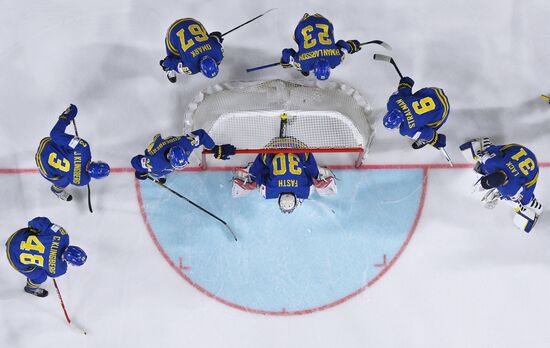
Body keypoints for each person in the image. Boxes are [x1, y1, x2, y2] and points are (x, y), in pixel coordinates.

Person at [460, 138, 542, 232]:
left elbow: (516, 202)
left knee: (525, 200)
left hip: (531, 168)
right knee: (484, 161)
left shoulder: (510, 189)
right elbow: (484, 157)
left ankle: (533, 203)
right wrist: (481, 154)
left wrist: (518, 207)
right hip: (519, 152)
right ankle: (486, 146)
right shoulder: (493, 165)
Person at [35, 104, 110, 201]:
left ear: (97, 162)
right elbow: (77, 173)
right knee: (65, 179)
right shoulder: (83, 181)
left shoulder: (83, 149)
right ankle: (57, 190)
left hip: (46, 147)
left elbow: (55, 134)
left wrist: (66, 117)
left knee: (67, 169)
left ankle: (57, 189)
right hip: (44, 169)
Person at [5, 217, 87, 297]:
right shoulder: (60, 269)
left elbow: (40, 222)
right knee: (41, 276)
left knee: (39, 230)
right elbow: (48, 273)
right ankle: (31, 289)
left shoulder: (62, 235)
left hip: (17, 237)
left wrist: (31, 227)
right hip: (14, 258)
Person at [232, 151, 336, 213]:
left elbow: (312, 179)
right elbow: (260, 178)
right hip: (271, 149)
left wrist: (318, 180)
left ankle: (322, 173)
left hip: (300, 149)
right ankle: (247, 171)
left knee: (313, 176)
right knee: (256, 176)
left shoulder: (305, 191)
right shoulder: (268, 192)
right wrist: (252, 183)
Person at [280, 13, 362, 80]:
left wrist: (351, 47)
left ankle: (307, 68)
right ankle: (306, 69)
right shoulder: (302, 64)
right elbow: (287, 53)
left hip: (324, 22)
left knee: (332, 63)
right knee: (303, 64)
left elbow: (342, 44)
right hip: (303, 25)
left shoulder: (337, 59)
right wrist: (287, 61)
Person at [131, 129, 235, 182]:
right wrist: (142, 171)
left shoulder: (186, 144)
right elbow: (134, 161)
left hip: (166, 151)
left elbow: (201, 135)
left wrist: (214, 147)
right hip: (155, 151)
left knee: (163, 168)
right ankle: (159, 175)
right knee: (156, 173)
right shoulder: (155, 163)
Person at [383, 76, 450, 150]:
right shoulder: (392, 101)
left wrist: (436, 141)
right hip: (434, 93)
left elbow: (428, 133)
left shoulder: (406, 130)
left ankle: (423, 139)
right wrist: (405, 83)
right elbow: (404, 89)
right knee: (412, 98)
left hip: (442, 110)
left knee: (426, 128)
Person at [160, 18, 224, 83]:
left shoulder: (218, 53)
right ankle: (168, 70)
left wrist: (217, 37)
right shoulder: (190, 67)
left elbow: (215, 37)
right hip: (173, 30)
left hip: (192, 22)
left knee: (206, 37)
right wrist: (164, 63)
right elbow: (174, 64)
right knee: (173, 57)